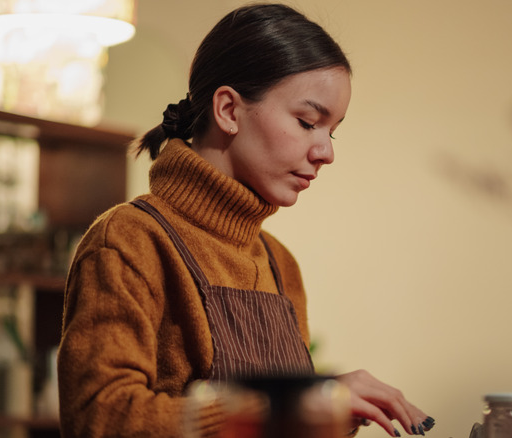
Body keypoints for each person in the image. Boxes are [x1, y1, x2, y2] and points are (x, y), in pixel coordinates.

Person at [57, 3, 435, 437]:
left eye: (331, 132)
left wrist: (323, 416)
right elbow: (98, 419)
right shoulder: (128, 240)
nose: (326, 152)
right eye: (307, 121)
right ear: (229, 111)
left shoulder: (279, 263)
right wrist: (284, 406)